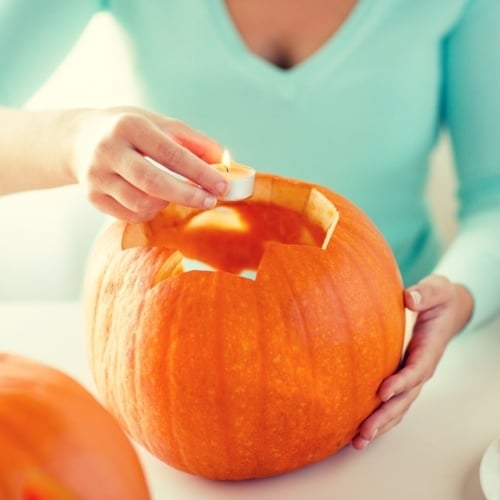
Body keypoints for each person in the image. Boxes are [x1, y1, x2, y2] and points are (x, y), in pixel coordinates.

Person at [1, 0, 499, 451]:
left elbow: (493, 196)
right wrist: (70, 141)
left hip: (396, 349)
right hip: (158, 339)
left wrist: (461, 291)